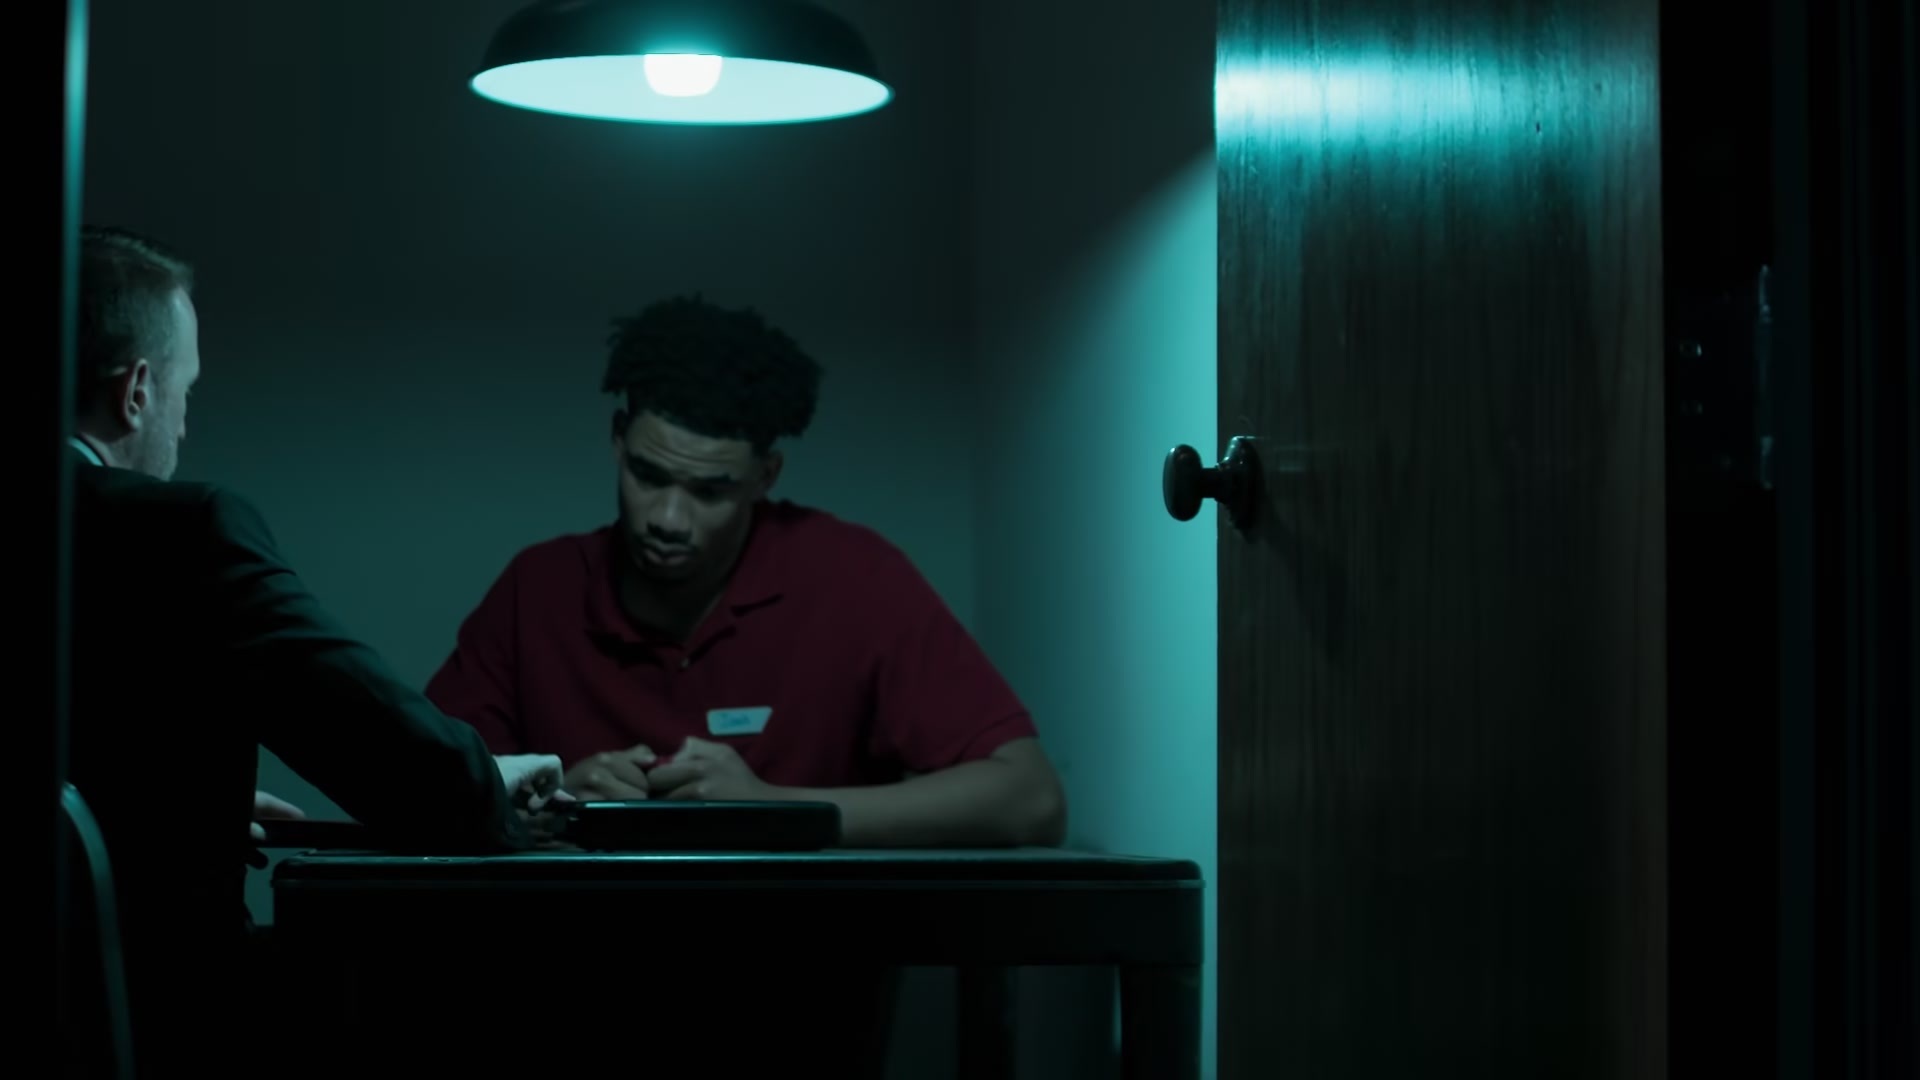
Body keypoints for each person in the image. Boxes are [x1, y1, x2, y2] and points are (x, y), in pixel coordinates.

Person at [59, 226, 566, 1075]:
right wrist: (485, 775)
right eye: (187, 391)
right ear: (138, 391)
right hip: (134, 1024)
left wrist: (180, 795)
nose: (183, 423)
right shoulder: (180, 528)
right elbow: (391, 757)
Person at [425, 295, 1068, 848]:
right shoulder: (538, 589)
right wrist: (542, 800)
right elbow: (414, 792)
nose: (668, 519)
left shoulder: (854, 577)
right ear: (618, 439)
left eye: (710, 491)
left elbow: (1032, 799)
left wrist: (774, 808)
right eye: (648, 476)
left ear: (765, 477)